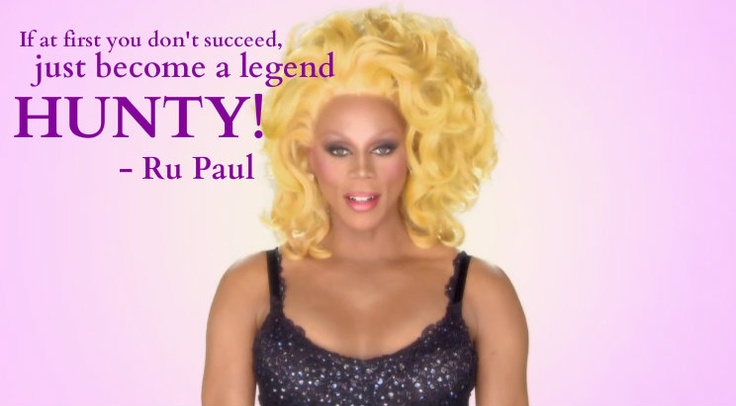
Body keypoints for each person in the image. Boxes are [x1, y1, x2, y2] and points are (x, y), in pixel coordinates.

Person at [201, 8, 528, 406]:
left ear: (419, 150)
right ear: (305, 154)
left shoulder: (483, 293)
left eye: (382, 148)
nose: (361, 171)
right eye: (339, 149)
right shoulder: (249, 288)